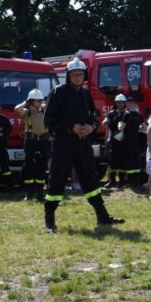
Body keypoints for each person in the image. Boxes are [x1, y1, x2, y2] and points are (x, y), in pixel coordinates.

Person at [43, 59, 124, 233]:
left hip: (83, 143)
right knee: (57, 178)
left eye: (80, 74)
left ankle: (102, 216)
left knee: (91, 177)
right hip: (63, 143)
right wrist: (71, 127)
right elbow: (49, 120)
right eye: (74, 75)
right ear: (69, 76)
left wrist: (92, 126)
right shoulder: (58, 93)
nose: (78, 78)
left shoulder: (85, 94)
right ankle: (49, 220)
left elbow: (94, 116)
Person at [14, 90, 48, 201]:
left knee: (42, 167)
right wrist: (26, 102)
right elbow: (16, 109)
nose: (41, 102)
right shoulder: (26, 112)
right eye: (38, 100)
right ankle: (29, 194)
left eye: (41, 100)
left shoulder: (43, 110)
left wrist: (42, 103)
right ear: (32, 101)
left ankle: (40, 193)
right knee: (29, 167)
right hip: (31, 141)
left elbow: (50, 105)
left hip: (43, 141)